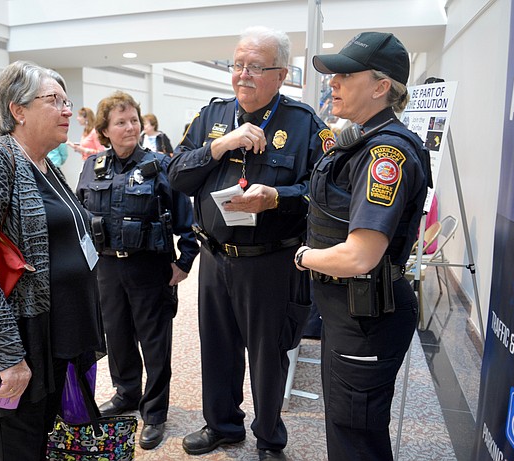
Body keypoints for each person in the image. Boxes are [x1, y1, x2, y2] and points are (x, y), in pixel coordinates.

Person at [168, 26, 332, 461]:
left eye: (255, 67)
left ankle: (269, 438)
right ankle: (222, 426)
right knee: (217, 349)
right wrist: (218, 147)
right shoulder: (212, 117)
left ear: (281, 75)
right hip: (215, 257)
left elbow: (327, 195)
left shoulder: (304, 126)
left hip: (270, 263)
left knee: (267, 356)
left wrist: (278, 197)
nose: (243, 75)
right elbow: (177, 175)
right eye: (238, 65)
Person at [0, 61, 105, 461]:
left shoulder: (47, 164)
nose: (68, 110)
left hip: (62, 335)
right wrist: (8, 359)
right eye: (54, 100)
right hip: (24, 341)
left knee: (48, 444)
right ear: (17, 110)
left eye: (68, 101)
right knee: (20, 447)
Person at [294, 32, 431, 461]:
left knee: (357, 439)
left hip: (366, 312)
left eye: (345, 75)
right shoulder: (361, 141)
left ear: (380, 86)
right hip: (349, 307)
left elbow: (359, 255)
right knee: (348, 427)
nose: (332, 82)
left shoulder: (384, 154)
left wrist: (303, 256)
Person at [76, 91, 199, 451]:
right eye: (120, 122)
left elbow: (187, 221)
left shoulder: (161, 165)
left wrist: (184, 262)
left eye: (133, 120)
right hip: (107, 268)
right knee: (117, 336)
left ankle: (155, 411)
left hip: (150, 267)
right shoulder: (91, 167)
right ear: (105, 130)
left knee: (155, 341)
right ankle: (126, 393)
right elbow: (80, 218)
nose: (130, 127)